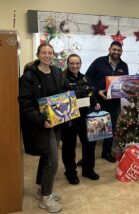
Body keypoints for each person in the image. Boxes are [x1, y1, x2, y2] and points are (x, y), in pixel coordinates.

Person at [19, 44, 64, 213]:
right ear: (38, 54)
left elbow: (65, 90)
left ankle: (41, 189)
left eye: (50, 53)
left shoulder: (57, 72)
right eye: (44, 53)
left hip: (57, 121)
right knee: (52, 160)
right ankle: (46, 197)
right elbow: (25, 105)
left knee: (47, 158)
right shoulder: (29, 77)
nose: (47, 55)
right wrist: (41, 120)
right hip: (41, 125)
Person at [61, 54, 101, 184]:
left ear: (80, 64)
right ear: (68, 64)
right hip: (69, 119)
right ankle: (71, 172)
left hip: (85, 116)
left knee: (89, 144)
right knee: (69, 147)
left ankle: (88, 170)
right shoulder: (61, 79)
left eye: (77, 63)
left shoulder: (85, 78)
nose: (74, 66)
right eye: (72, 63)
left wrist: (95, 102)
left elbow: (90, 93)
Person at [86, 41, 128, 163]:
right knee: (96, 129)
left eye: (119, 50)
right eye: (114, 49)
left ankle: (106, 152)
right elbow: (88, 78)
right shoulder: (99, 62)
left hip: (114, 103)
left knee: (111, 129)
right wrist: (97, 90)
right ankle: (88, 156)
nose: (116, 52)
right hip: (98, 102)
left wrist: (130, 91)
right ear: (109, 49)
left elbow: (124, 83)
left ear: (121, 52)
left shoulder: (123, 66)